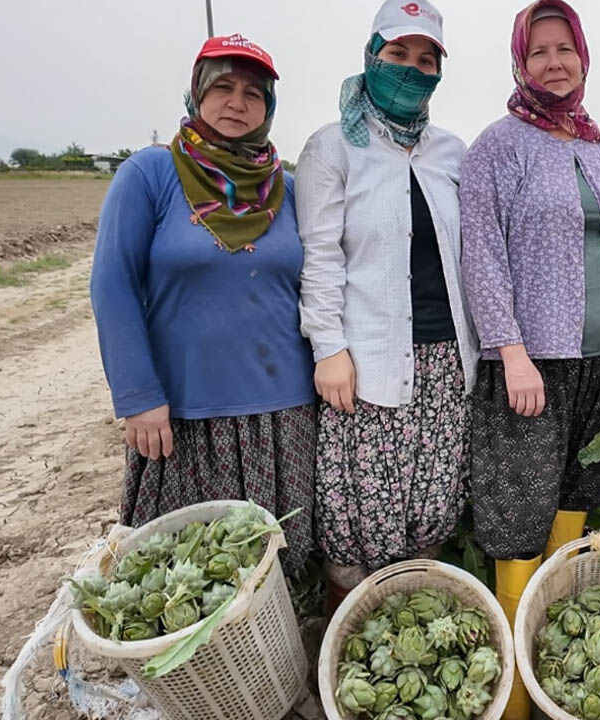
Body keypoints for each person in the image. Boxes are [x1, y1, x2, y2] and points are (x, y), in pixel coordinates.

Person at [459, 1, 600, 716]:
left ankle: (554, 655)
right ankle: (512, 687)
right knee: (519, 507)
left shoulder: (598, 149)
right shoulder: (497, 148)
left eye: (564, 48)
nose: (553, 62)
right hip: (532, 362)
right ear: (518, 64)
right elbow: (481, 256)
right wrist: (511, 352)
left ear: (583, 57)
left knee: (580, 493)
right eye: (538, 52)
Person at [89, 34, 315, 575]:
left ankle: (277, 659)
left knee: (278, 571)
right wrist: (138, 395)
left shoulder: (289, 186)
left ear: (269, 107)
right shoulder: (150, 175)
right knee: (188, 575)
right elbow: (112, 284)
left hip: (284, 416)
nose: (237, 104)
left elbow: (324, 282)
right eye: (223, 88)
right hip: (185, 417)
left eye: (253, 94)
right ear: (196, 95)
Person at [296, 0, 476, 612]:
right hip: (365, 362)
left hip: (447, 361)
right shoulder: (332, 148)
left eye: (426, 59)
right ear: (371, 57)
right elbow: (320, 258)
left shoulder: (450, 152)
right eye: (398, 54)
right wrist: (329, 349)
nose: (412, 69)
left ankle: (414, 623)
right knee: (359, 508)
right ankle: (350, 625)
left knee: (432, 499)